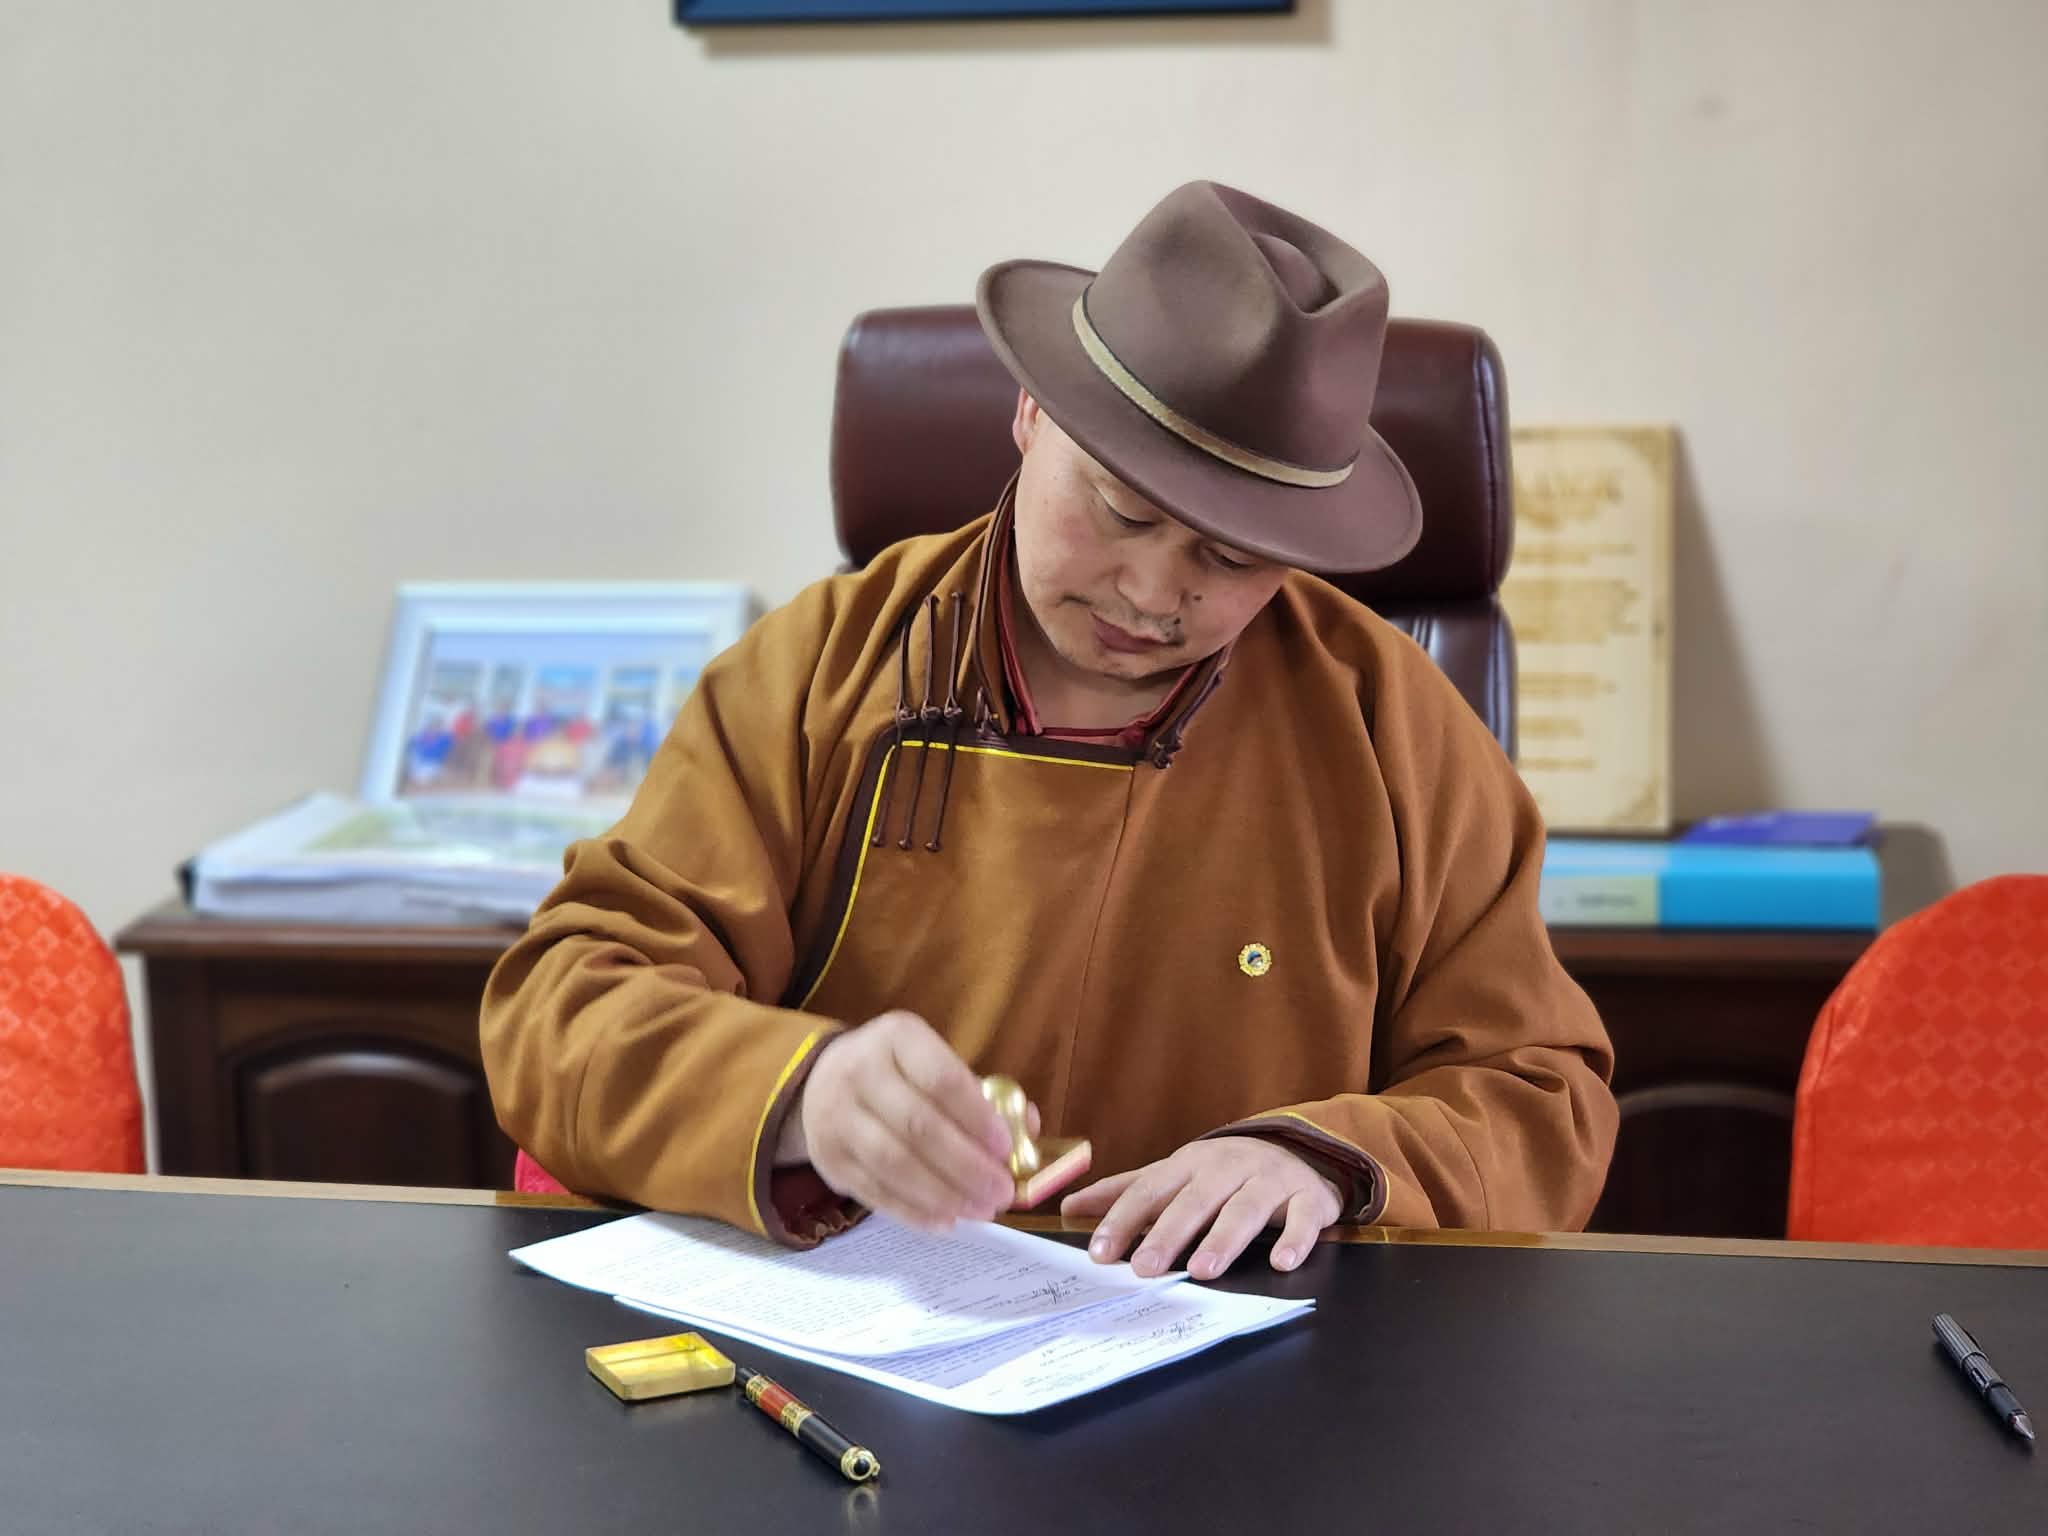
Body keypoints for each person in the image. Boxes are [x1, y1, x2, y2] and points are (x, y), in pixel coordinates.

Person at [481, 181, 1616, 1281]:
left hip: (1245, 1345)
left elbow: (1540, 1091)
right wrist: (796, 1094)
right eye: (1120, 509)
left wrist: (1325, 1160)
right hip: (865, 1342)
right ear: (1031, 414)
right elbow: (563, 1003)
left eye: (1231, 557)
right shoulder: (818, 670)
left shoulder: (1388, 724)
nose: (1152, 593)